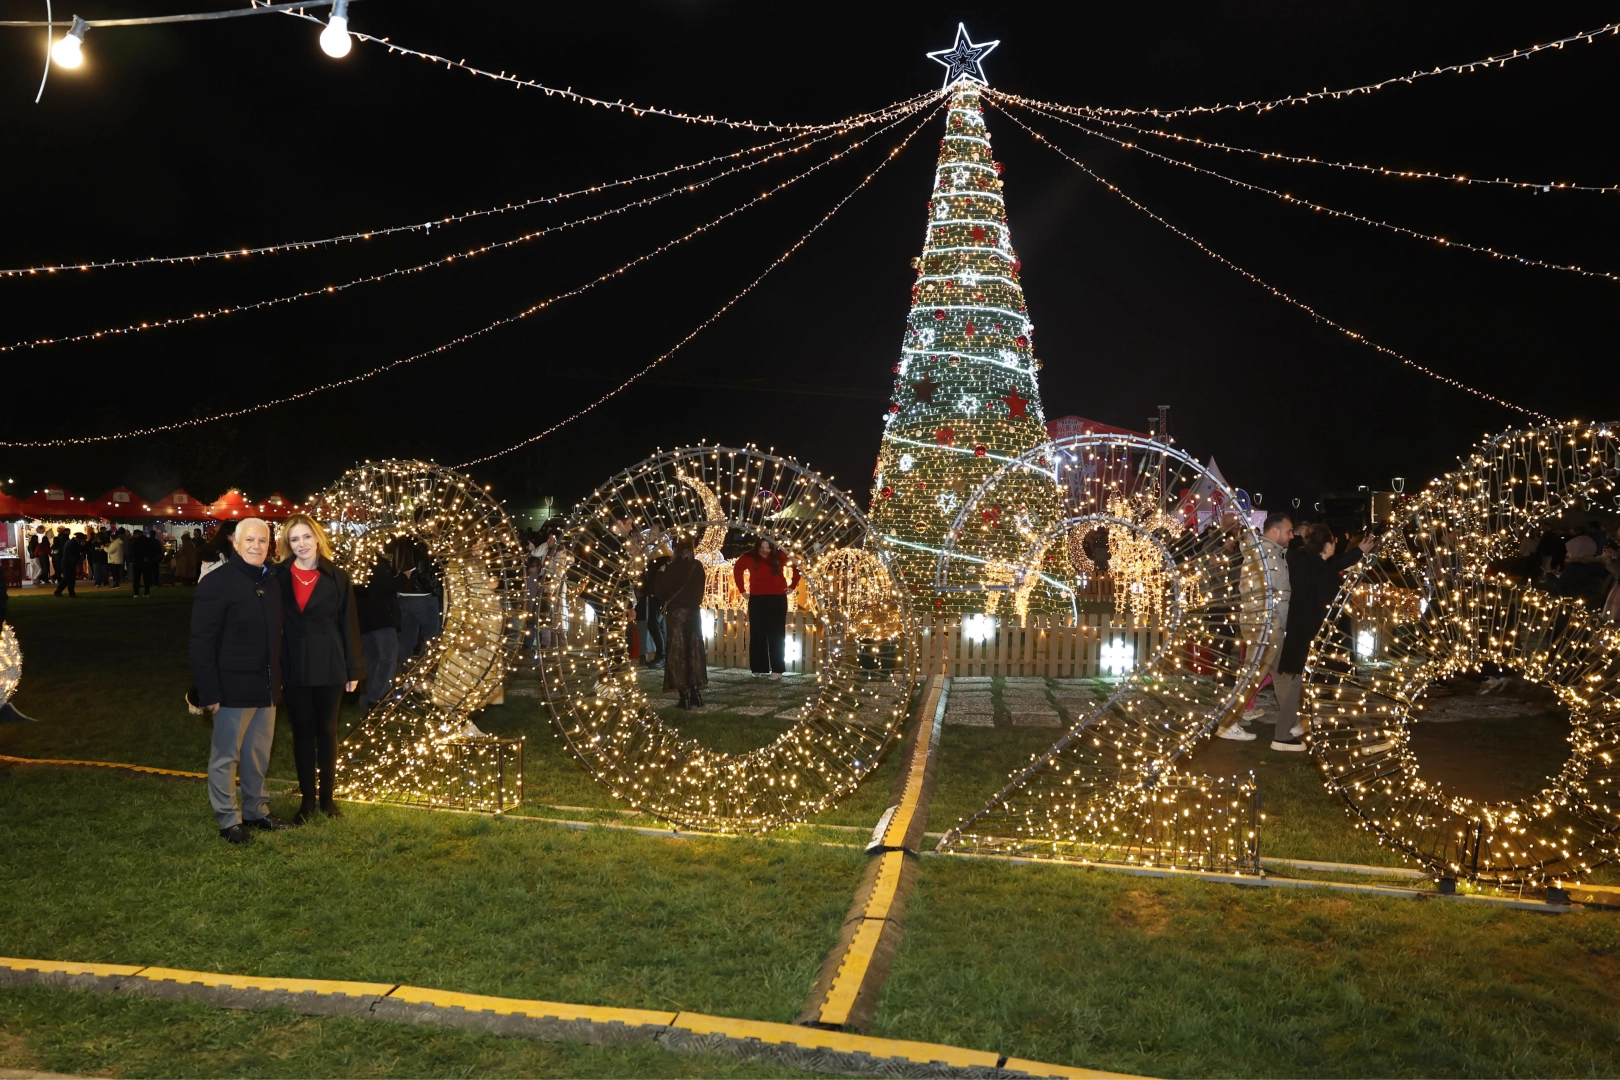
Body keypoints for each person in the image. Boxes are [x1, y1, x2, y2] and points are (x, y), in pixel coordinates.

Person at [189, 517, 291, 843]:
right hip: (231, 687)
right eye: (250, 540)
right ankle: (228, 821)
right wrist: (209, 691)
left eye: (262, 540)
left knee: (258, 754)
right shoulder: (216, 582)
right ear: (235, 542)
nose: (256, 546)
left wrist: (278, 676)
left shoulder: (270, 581)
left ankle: (256, 811)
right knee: (226, 757)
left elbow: (276, 636)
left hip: (265, 686)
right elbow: (202, 642)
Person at [277, 514, 363, 823]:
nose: (301, 544)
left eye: (305, 537)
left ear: (316, 538)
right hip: (294, 663)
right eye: (294, 539)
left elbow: (349, 623)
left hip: (330, 663)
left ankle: (327, 798)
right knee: (302, 732)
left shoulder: (337, 577)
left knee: (327, 731)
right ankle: (307, 801)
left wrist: (353, 669)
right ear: (288, 544)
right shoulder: (278, 576)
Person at [1270, 523, 1378, 752]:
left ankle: (1281, 735)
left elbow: (1330, 565)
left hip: (1303, 639)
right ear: (1328, 546)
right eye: (1333, 543)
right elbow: (1329, 607)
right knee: (1344, 688)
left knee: (1299, 687)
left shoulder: (1301, 562)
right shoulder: (1324, 575)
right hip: (1322, 641)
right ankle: (1369, 740)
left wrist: (1358, 552)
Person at [1222, 511, 1294, 741]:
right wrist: (1269, 624)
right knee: (1252, 676)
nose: (1292, 536)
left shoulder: (1272, 553)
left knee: (1283, 676)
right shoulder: (1265, 555)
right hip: (1265, 626)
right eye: (1289, 531)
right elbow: (1263, 593)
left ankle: (1292, 722)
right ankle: (1227, 722)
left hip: (1271, 625)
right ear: (1275, 531)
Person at [732, 537, 801, 681]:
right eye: (762, 547)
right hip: (757, 598)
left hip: (777, 598)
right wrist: (742, 589)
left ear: (773, 547)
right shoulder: (749, 557)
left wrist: (792, 585)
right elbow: (737, 569)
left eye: (768, 548)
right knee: (757, 633)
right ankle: (758, 668)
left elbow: (797, 566)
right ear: (757, 546)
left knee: (777, 633)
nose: (765, 551)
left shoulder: (781, 555)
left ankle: (777, 670)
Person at [654, 539, 708, 709]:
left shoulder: (672, 567)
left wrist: (660, 574)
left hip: (677, 614)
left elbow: (659, 591)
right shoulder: (697, 566)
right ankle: (696, 694)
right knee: (693, 651)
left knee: (678, 653)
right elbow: (701, 590)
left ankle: (684, 696)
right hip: (694, 613)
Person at [356, 550, 401, 712]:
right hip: (380, 617)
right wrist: (403, 578)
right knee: (387, 658)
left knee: (371, 660)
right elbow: (383, 586)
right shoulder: (375, 562)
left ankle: (368, 697)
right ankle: (379, 697)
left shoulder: (356, 560)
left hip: (363, 618)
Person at [394, 538, 442, 658]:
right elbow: (423, 571)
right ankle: (425, 666)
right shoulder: (421, 543)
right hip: (422, 595)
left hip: (404, 594)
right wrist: (434, 588)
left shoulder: (401, 542)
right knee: (431, 637)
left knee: (408, 638)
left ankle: (405, 666)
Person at [53, 531, 82, 597]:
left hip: (67, 562)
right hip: (69, 563)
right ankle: (59, 591)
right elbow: (73, 554)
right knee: (68, 578)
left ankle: (70, 592)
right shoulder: (73, 544)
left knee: (70, 578)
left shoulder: (70, 542)